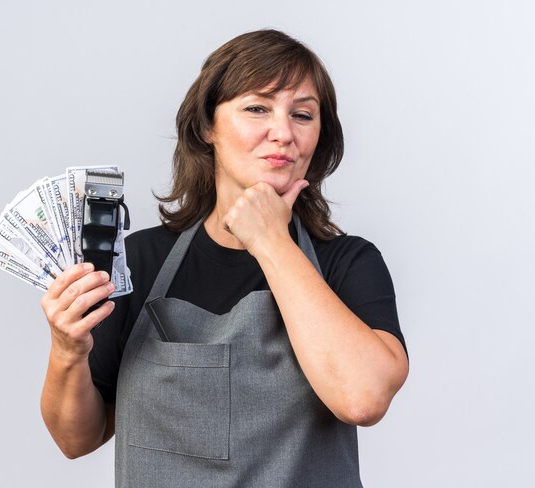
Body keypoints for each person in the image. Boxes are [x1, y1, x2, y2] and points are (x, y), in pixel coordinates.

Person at [40, 29, 409, 487]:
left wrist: (271, 241)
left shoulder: (349, 264)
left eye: (303, 114)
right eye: (257, 108)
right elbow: (77, 438)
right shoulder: (139, 260)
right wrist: (67, 350)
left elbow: (363, 399)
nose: (283, 133)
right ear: (206, 127)